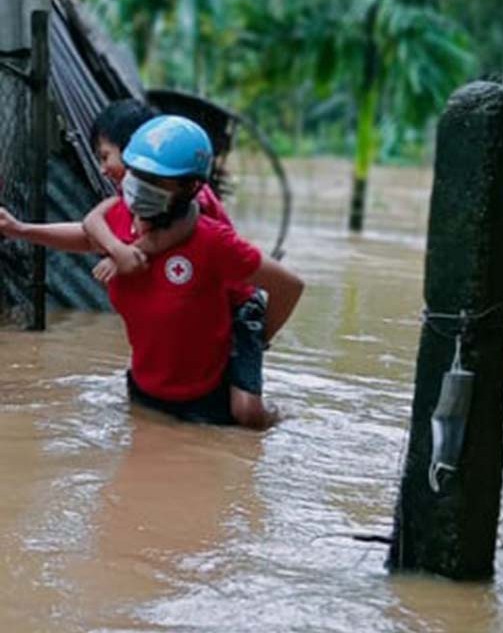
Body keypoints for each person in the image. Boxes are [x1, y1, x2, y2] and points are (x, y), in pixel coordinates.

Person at [0, 111, 303, 429]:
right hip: (147, 392)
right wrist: (20, 230)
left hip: (208, 400)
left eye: (156, 179)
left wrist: (260, 338)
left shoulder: (212, 239)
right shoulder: (118, 217)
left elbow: (289, 285)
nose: (139, 184)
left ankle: (276, 415)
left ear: (188, 187)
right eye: (136, 171)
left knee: (248, 416)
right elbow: (87, 233)